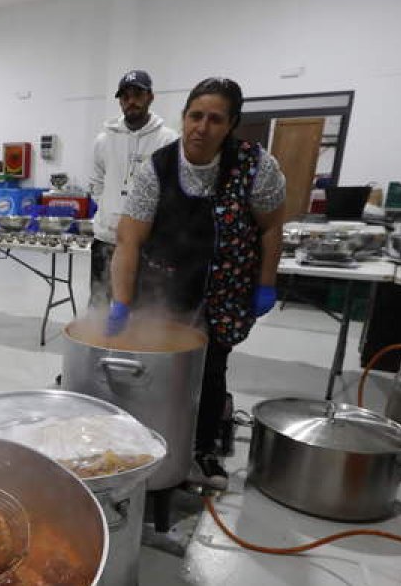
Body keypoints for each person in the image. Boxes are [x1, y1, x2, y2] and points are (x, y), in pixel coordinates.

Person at [108, 77, 286, 491]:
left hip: (228, 285)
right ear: (183, 117)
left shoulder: (256, 166)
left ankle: (202, 449)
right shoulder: (158, 168)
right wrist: (121, 300)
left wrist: (265, 283)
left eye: (215, 119)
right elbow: (129, 238)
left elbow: (271, 227)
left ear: (231, 124)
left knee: (211, 368)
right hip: (167, 285)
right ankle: (149, 444)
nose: (202, 128)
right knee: (158, 367)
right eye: (195, 116)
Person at [88, 70, 178, 303]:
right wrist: (111, 212)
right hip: (106, 239)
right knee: (100, 304)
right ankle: (97, 340)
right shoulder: (104, 140)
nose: (131, 101)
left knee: (140, 308)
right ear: (120, 101)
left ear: (150, 97)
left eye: (137, 94)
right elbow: (97, 183)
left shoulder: (167, 141)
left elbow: (172, 192)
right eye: (125, 96)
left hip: (147, 244)